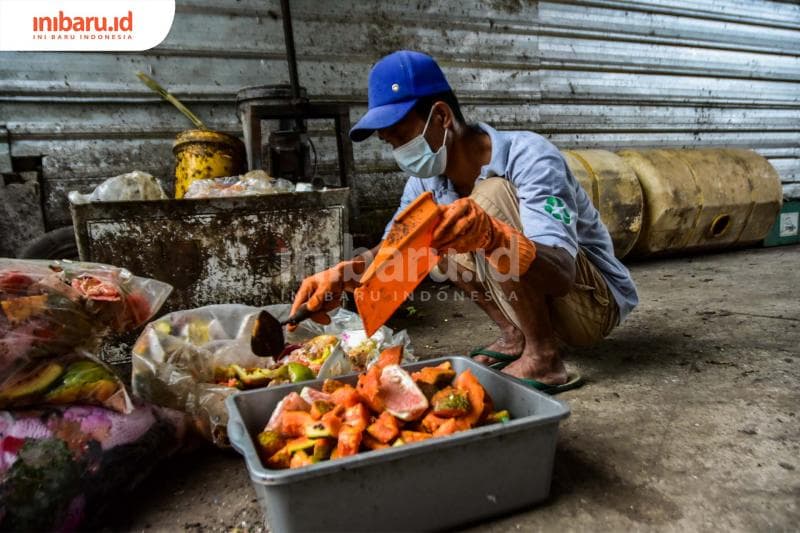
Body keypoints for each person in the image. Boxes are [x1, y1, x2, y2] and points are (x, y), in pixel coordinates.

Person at [289, 50, 638, 393]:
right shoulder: (426, 182)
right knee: (434, 227)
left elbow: (561, 274)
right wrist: (343, 274)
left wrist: (493, 234)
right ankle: (515, 334)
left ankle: (544, 356)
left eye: (400, 137)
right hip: (541, 295)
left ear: (441, 117)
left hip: (590, 304)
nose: (397, 152)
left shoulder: (529, 156)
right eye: (389, 143)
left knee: (487, 200)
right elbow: (393, 254)